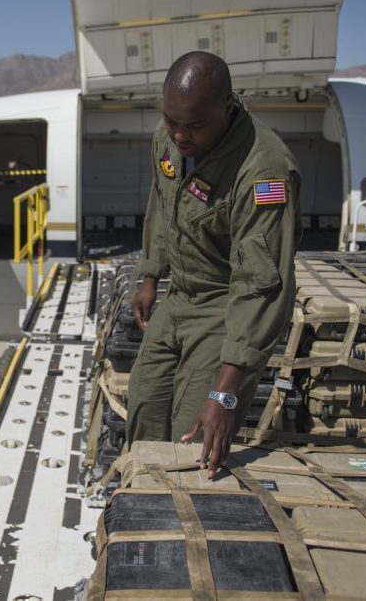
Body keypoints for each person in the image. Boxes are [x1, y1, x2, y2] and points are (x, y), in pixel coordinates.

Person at [126, 51, 301, 478]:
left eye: (195, 125)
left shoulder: (264, 172)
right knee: (144, 408)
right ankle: (141, 507)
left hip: (224, 308)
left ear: (227, 106)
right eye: (172, 121)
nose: (180, 136)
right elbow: (162, 205)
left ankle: (176, 528)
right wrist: (151, 274)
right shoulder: (168, 138)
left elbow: (261, 285)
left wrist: (226, 393)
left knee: (188, 439)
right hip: (179, 298)